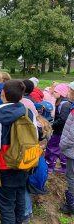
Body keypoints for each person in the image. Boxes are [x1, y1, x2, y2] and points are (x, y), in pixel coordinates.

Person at [0, 80, 36, 224]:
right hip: (23, 164)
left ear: (3, 94)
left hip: (3, 168)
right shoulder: (28, 112)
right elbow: (35, 138)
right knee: (19, 200)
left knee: (6, 207)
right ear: (21, 95)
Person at [45, 83, 71, 174]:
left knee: (51, 147)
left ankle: (49, 167)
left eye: (56, 91)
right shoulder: (65, 102)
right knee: (61, 149)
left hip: (59, 131)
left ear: (61, 93)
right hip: (63, 131)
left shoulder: (63, 104)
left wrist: (52, 125)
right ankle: (64, 167)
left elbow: (62, 120)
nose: (53, 93)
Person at [59, 82, 74, 214]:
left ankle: (71, 205)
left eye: (70, 91)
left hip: (72, 151)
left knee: (71, 176)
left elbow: (72, 135)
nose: (68, 93)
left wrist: (62, 144)